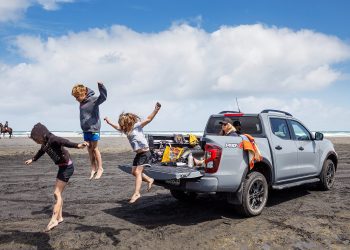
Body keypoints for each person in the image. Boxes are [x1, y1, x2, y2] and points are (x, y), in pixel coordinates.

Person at [24, 123, 87, 231]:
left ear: (41, 134)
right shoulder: (44, 143)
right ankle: (60, 217)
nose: (36, 142)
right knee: (58, 194)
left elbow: (65, 142)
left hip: (67, 167)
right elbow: (41, 152)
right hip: (62, 167)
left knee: (56, 193)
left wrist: (78, 145)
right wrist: (33, 159)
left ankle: (54, 220)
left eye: (36, 139)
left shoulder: (53, 139)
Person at [104, 102, 161, 203]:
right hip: (138, 154)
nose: (122, 126)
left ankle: (137, 193)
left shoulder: (137, 126)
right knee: (133, 172)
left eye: (123, 123)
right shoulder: (126, 130)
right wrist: (109, 122)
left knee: (138, 172)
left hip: (145, 153)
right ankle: (149, 179)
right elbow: (117, 127)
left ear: (128, 122)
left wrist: (156, 110)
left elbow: (148, 119)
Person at [72, 82, 107, 180]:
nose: (76, 99)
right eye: (75, 97)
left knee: (95, 149)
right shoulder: (81, 103)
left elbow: (103, 97)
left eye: (77, 96)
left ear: (83, 93)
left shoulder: (93, 100)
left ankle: (100, 168)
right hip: (86, 130)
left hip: (94, 128)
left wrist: (101, 87)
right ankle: (93, 168)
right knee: (89, 149)